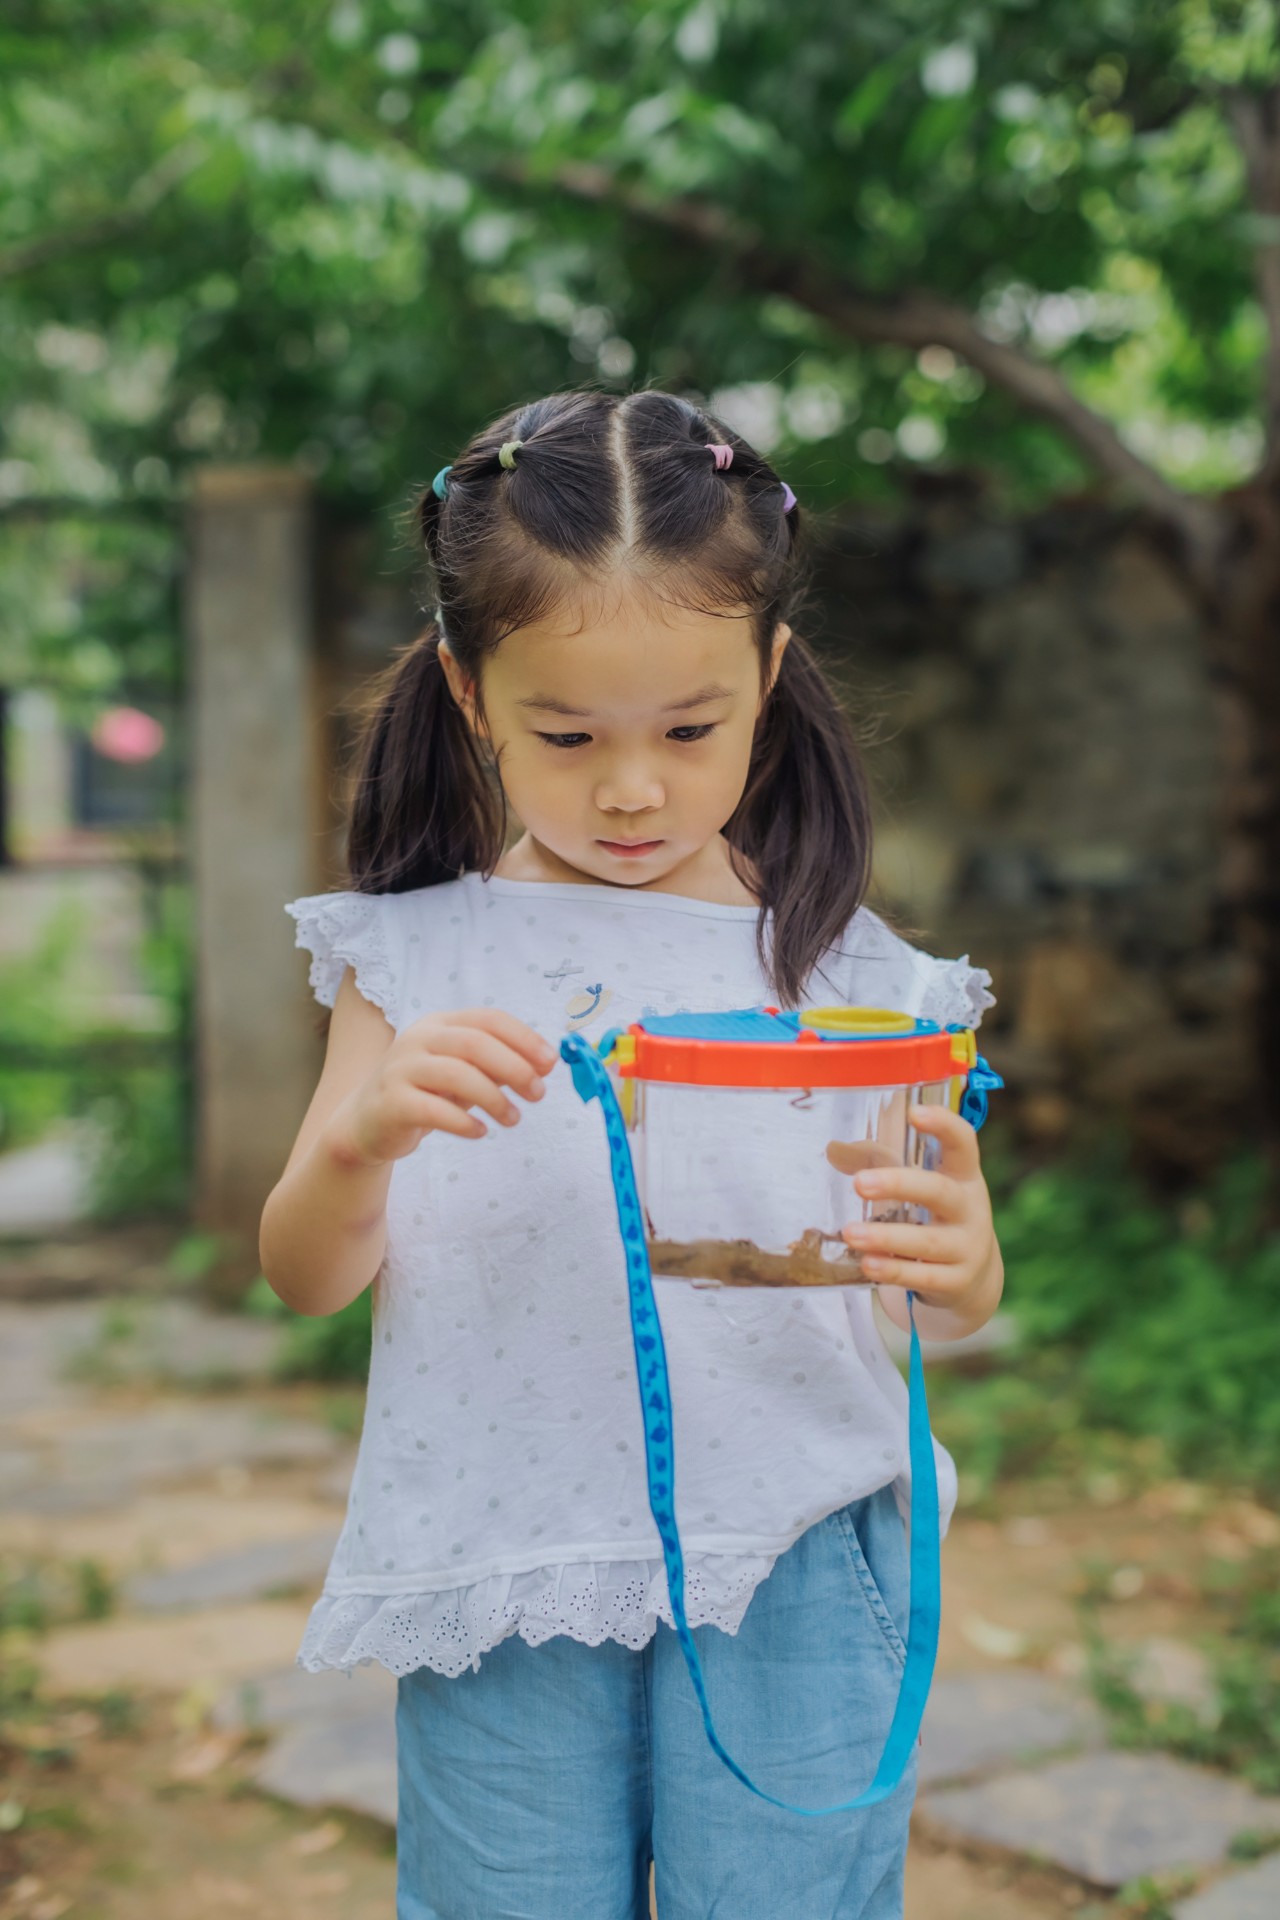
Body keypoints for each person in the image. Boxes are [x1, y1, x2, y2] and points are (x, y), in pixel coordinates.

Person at [259, 386, 1002, 1920]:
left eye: (689, 727)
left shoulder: (865, 983)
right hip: (505, 1549)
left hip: (802, 1544)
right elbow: (306, 1277)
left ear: (770, 678)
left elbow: (931, 1299)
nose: (631, 786)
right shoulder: (413, 961)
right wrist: (366, 1135)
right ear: (471, 693)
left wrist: (964, 1261)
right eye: (568, 732)